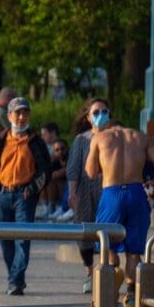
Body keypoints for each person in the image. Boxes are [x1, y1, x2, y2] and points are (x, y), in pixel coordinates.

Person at [85, 117, 154, 307]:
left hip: (111, 192)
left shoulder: (100, 138)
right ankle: (130, 293)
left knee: (106, 242)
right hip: (136, 193)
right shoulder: (141, 137)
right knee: (134, 249)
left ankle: (113, 269)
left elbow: (90, 171)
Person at [0, 97, 51, 295]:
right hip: (2, 194)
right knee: (6, 240)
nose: (22, 117)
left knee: (23, 240)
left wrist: (32, 190)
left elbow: (45, 171)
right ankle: (15, 280)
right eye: (17, 113)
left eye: (25, 112)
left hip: (24, 195)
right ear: (9, 116)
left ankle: (15, 281)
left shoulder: (36, 141)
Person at [66, 99, 108, 293]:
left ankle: (106, 273)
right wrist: (72, 192)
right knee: (84, 231)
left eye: (104, 111)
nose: (101, 115)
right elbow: (73, 168)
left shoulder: (114, 137)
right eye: (96, 112)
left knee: (107, 231)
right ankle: (90, 271)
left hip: (108, 188)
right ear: (88, 117)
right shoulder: (81, 140)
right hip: (85, 189)